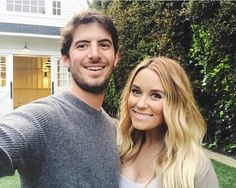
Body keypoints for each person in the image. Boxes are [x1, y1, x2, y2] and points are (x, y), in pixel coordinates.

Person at [0, 9, 120, 188]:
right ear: (65, 59)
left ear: (116, 57)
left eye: (104, 45)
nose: (94, 54)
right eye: (82, 45)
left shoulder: (111, 127)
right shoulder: (43, 118)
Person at [118, 56, 219, 188]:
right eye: (136, 91)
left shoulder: (193, 166)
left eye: (156, 95)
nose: (141, 104)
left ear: (176, 103)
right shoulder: (121, 148)